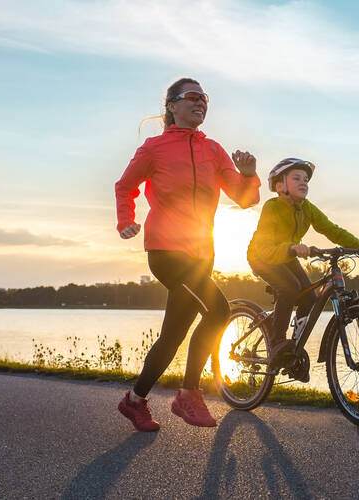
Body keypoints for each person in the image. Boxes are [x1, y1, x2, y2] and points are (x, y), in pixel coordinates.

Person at [115, 78, 260, 432]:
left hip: (202, 254)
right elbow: (125, 186)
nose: (201, 103)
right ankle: (189, 394)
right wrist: (126, 221)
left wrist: (250, 175)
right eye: (192, 97)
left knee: (173, 335)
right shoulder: (154, 148)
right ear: (172, 106)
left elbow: (244, 199)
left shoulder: (213, 150)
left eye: (205, 98)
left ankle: (134, 401)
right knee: (219, 311)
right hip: (166, 251)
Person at [247, 158, 359, 371]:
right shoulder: (272, 208)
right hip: (262, 256)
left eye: (306, 179)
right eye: (296, 178)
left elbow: (333, 230)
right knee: (289, 288)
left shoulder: (307, 208)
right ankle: (277, 342)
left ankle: (292, 351)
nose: (304, 183)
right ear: (280, 186)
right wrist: (291, 247)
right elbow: (265, 245)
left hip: (287, 256)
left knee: (309, 298)